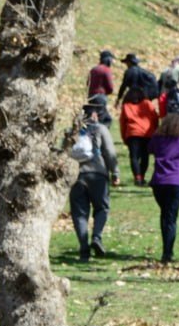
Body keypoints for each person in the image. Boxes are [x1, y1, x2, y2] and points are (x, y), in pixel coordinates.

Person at [68, 100, 119, 261]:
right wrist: (115, 172)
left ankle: (84, 247)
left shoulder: (72, 132)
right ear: (95, 114)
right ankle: (96, 237)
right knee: (102, 208)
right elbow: (109, 152)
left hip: (76, 176)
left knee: (79, 213)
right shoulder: (100, 129)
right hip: (98, 174)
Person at [148, 113, 179, 264]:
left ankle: (167, 250)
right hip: (175, 183)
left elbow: (150, 149)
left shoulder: (157, 139)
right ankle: (167, 252)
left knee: (165, 215)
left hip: (159, 182)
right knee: (171, 218)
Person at [119, 81, 158, 185]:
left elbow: (123, 123)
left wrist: (124, 137)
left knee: (134, 156)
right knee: (145, 156)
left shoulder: (126, 106)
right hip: (147, 133)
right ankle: (142, 175)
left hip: (132, 134)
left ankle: (137, 176)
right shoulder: (147, 104)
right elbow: (155, 118)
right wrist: (155, 131)